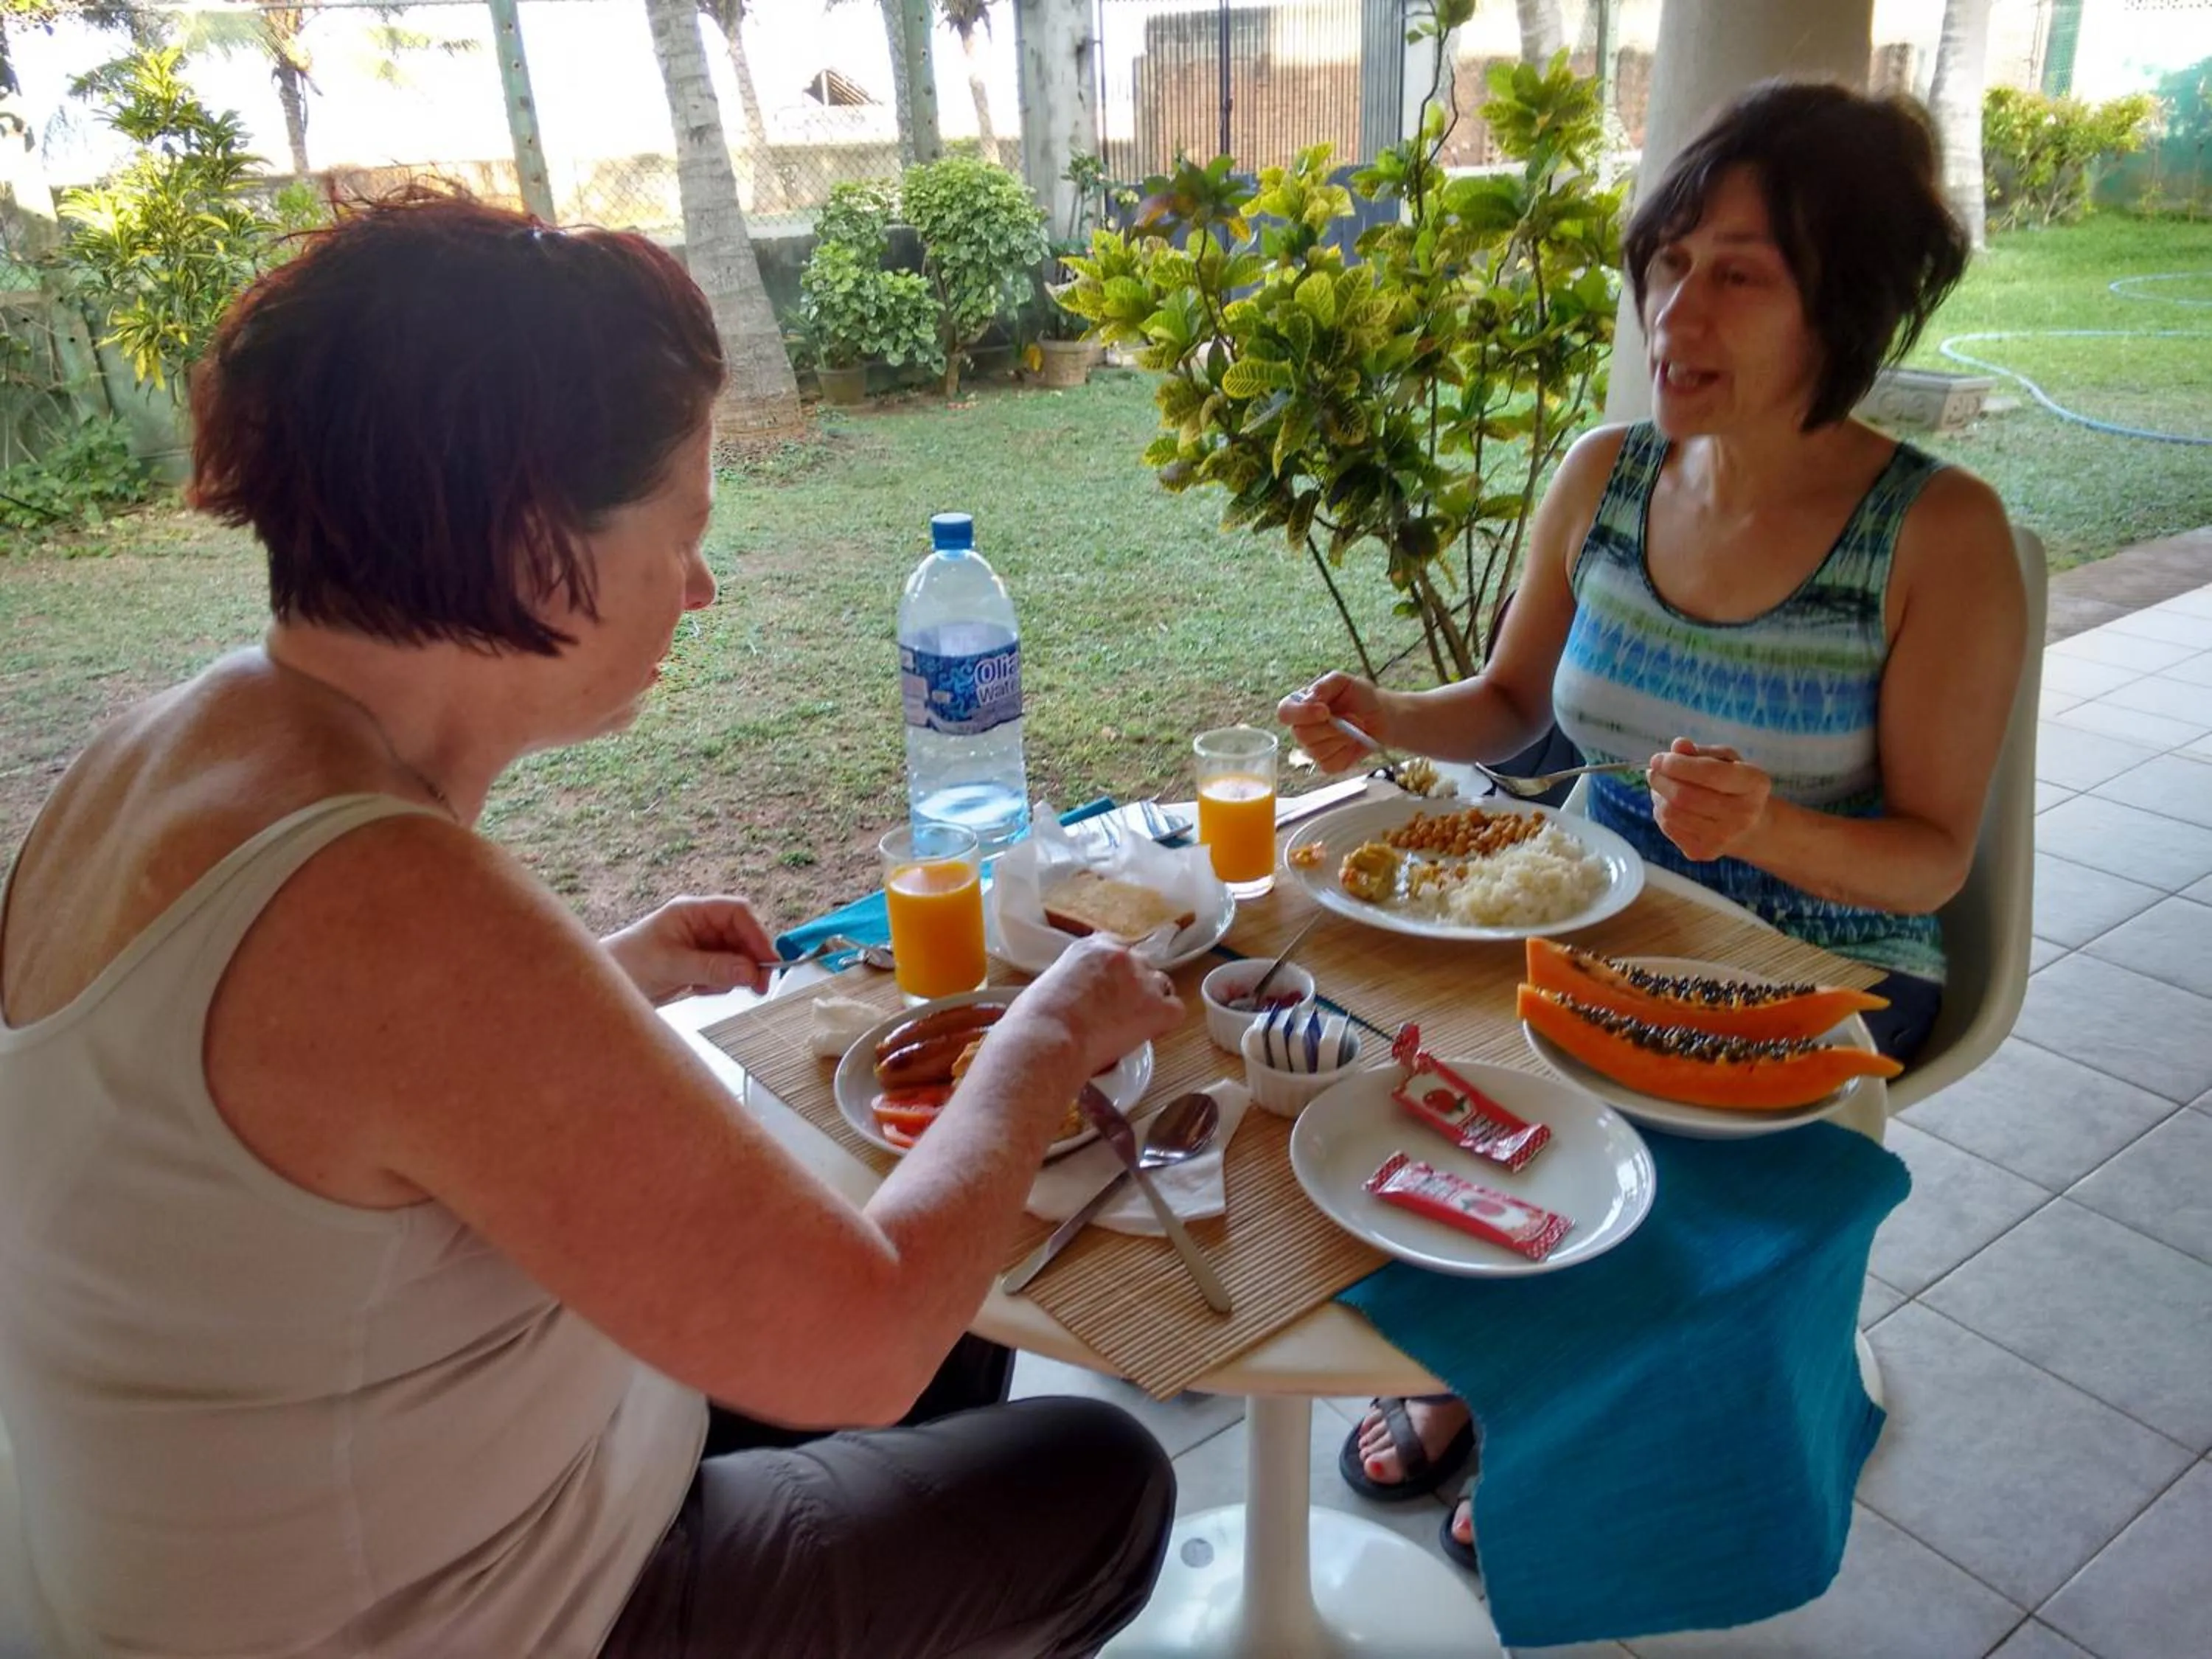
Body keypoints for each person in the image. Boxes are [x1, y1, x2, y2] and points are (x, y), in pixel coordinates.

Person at [0, 192, 1182, 1658]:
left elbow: (290, 1118)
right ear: (533, 548)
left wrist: (606, 972)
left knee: (964, 1320)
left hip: (276, 1537)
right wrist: (1044, 1037)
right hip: (447, 1622)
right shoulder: (386, 909)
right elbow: (863, 1343)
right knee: (1094, 1475)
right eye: (682, 532)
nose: (700, 584)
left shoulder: (171, 748)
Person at [1280, 82, 2025, 1566]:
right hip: (1593, 896)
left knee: (1592, 1125)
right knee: (1384, 1057)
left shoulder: (1942, 537)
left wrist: (1765, 830)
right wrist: (1383, 719)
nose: (1679, 308)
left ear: (1847, 306)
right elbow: (1507, 705)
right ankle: (1476, 1363)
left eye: (1739, 272)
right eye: (1670, 261)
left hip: (1820, 946)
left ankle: (1571, 1418)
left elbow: (1934, 852)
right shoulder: (1605, 477)